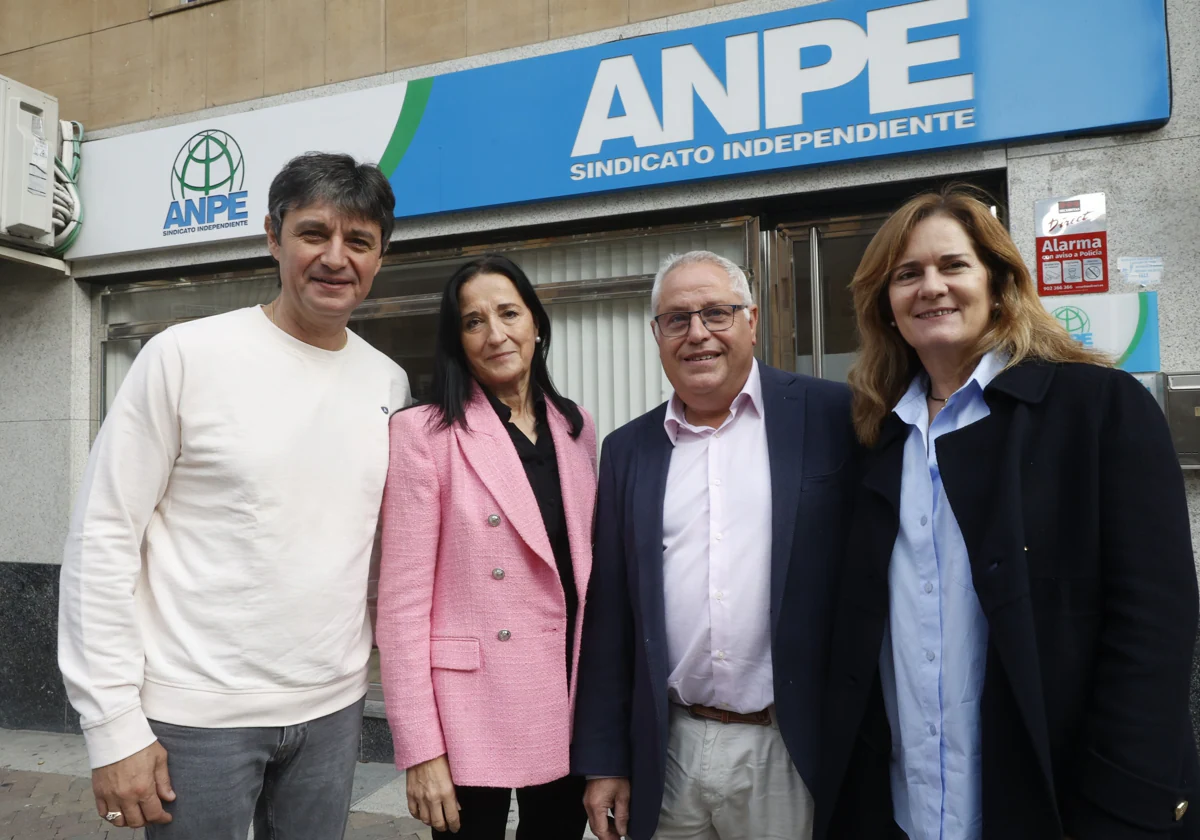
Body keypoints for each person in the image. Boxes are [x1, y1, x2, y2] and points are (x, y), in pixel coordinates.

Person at [817, 186, 1199, 840]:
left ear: (999, 283)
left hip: (1064, 804)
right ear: (885, 304)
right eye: (907, 275)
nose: (930, 287)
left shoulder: (1100, 408)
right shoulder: (874, 437)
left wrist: (1124, 803)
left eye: (952, 266)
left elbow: (1154, 626)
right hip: (909, 808)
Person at [58, 152, 410, 838]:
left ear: (379, 258)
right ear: (273, 238)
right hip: (195, 718)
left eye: (359, 242)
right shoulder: (185, 356)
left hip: (334, 712)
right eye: (314, 234)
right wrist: (111, 724)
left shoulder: (387, 382)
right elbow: (104, 535)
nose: (336, 258)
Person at [571, 250, 859, 840]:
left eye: (716, 313)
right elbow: (611, 618)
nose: (697, 333)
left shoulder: (833, 417)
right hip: (669, 748)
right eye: (677, 319)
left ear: (751, 320)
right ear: (657, 335)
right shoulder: (628, 450)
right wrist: (604, 761)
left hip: (790, 749)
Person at [377, 254, 597, 839]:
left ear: (537, 323)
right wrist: (420, 749)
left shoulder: (577, 429)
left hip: (565, 695)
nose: (495, 333)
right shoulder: (423, 432)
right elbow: (400, 608)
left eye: (508, 313)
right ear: (457, 339)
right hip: (466, 710)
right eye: (473, 321)